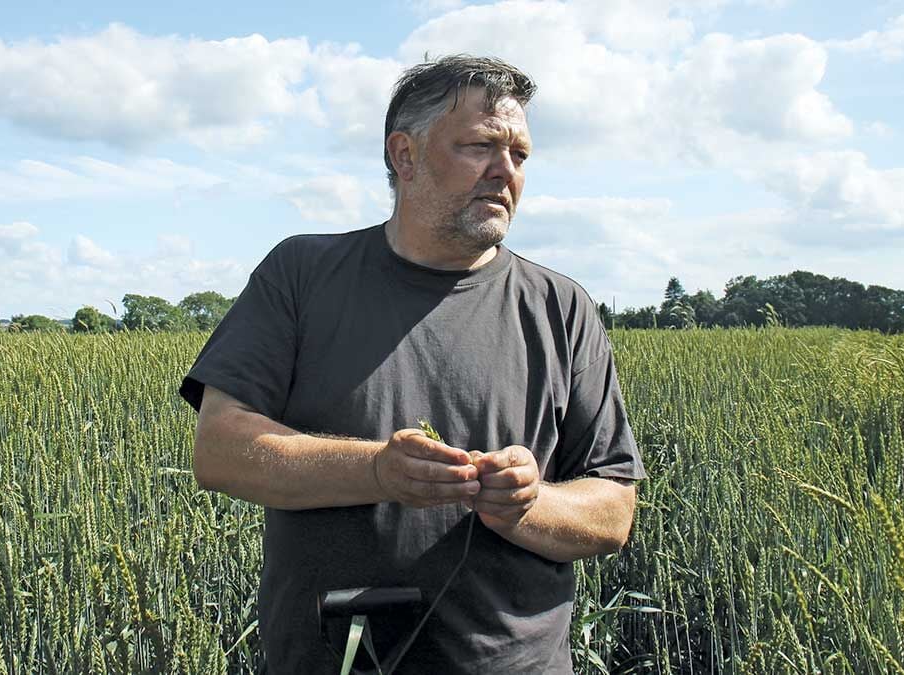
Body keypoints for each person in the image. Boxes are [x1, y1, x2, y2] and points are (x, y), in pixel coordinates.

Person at [179, 55, 646, 674]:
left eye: (521, 155)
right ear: (405, 155)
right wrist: (377, 470)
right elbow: (221, 448)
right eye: (481, 146)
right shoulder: (302, 276)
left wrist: (527, 505)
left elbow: (613, 510)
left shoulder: (562, 307)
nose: (505, 172)